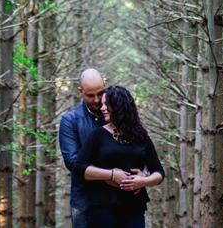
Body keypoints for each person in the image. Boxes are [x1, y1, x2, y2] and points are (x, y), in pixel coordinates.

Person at [70, 85, 165, 228]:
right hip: (104, 208)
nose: (102, 108)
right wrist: (111, 175)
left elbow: (159, 172)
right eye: (102, 104)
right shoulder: (98, 135)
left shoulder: (141, 135)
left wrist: (143, 181)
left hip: (135, 209)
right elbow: (79, 167)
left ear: (119, 106)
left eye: (106, 104)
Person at [60, 68, 107, 228]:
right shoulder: (70, 120)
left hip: (116, 202)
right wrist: (112, 175)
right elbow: (73, 162)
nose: (96, 100)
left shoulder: (117, 116)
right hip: (84, 202)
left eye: (100, 93)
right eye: (90, 95)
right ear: (80, 92)